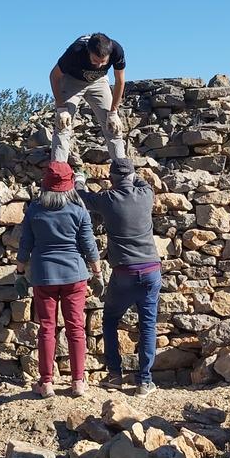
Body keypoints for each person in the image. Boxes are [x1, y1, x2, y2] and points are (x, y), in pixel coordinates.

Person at [74, 159, 161, 396]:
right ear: (132, 177)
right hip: (151, 270)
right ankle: (144, 382)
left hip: (124, 272)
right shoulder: (146, 194)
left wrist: (80, 178)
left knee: (110, 319)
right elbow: (141, 181)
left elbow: (81, 194)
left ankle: (115, 375)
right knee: (148, 325)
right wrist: (132, 174)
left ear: (112, 179)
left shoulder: (107, 200)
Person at [16, 161, 101, 398]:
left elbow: (25, 245)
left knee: (47, 328)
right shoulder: (78, 210)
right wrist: (98, 273)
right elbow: (89, 246)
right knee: (76, 327)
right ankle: (78, 382)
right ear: (69, 185)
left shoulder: (35, 210)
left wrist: (19, 273)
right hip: (75, 275)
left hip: (44, 275)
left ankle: (46, 383)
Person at [50, 33, 128, 163]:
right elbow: (54, 76)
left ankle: (123, 172)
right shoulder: (75, 51)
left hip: (99, 82)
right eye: (95, 61)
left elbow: (120, 81)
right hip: (72, 81)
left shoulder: (117, 50)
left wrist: (113, 111)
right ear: (88, 52)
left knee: (113, 127)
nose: (98, 66)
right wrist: (60, 107)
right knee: (63, 124)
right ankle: (58, 174)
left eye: (103, 62)